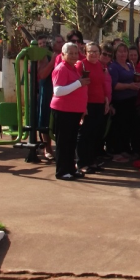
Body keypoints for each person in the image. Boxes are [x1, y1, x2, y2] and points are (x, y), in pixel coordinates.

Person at [50, 42, 89, 181]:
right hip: (63, 111)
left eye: (75, 53)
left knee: (71, 142)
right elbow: (58, 91)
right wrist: (79, 83)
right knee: (63, 142)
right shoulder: (61, 69)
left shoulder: (74, 69)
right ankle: (62, 171)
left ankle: (70, 169)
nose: (73, 56)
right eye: (70, 53)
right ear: (63, 55)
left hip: (73, 111)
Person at [76, 42, 110, 174]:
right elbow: (80, 86)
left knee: (95, 134)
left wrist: (106, 100)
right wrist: (83, 106)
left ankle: (91, 161)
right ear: (85, 52)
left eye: (96, 51)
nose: (94, 54)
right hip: (87, 104)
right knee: (84, 134)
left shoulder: (99, 65)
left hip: (99, 103)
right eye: (91, 51)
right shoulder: (81, 65)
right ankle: (81, 163)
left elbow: (102, 85)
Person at [107, 43, 140, 163]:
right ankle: (116, 152)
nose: (123, 54)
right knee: (118, 127)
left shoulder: (129, 65)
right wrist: (129, 86)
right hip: (119, 101)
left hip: (131, 101)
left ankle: (124, 149)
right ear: (115, 53)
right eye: (120, 51)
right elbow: (114, 85)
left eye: (124, 51)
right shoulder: (113, 66)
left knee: (127, 127)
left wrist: (136, 84)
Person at [36, 35, 56, 161]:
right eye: (40, 43)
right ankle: (47, 148)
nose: (43, 45)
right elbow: (41, 74)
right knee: (44, 120)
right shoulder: (40, 57)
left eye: (45, 43)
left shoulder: (59, 54)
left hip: (58, 91)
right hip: (46, 91)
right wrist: (52, 61)